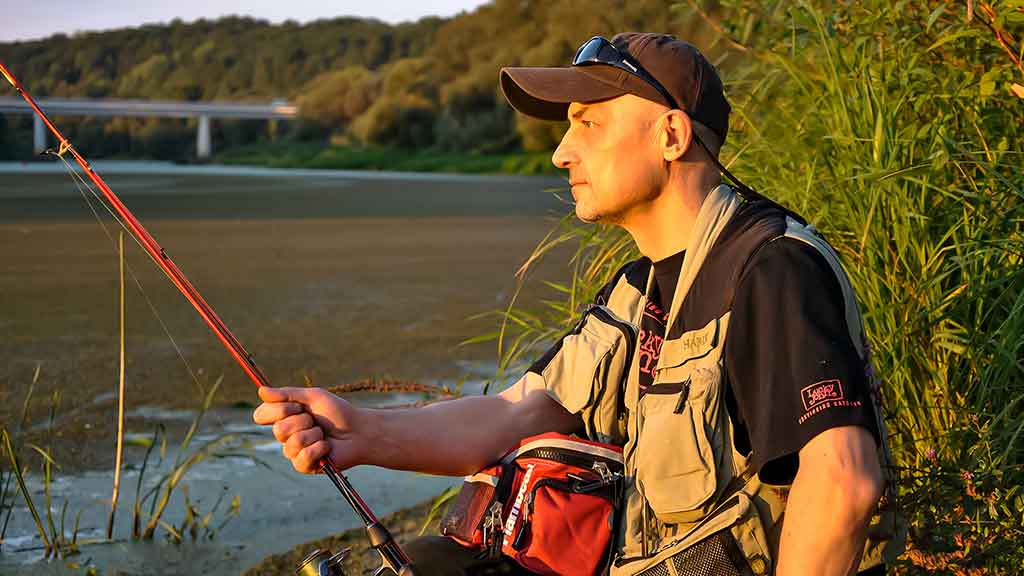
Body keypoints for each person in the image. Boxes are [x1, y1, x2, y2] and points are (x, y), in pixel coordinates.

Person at [253, 33, 903, 576]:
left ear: (671, 135)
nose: (563, 152)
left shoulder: (771, 269)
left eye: (588, 124)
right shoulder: (642, 288)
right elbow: (517, 413)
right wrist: (362, 432)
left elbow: (842, 483)